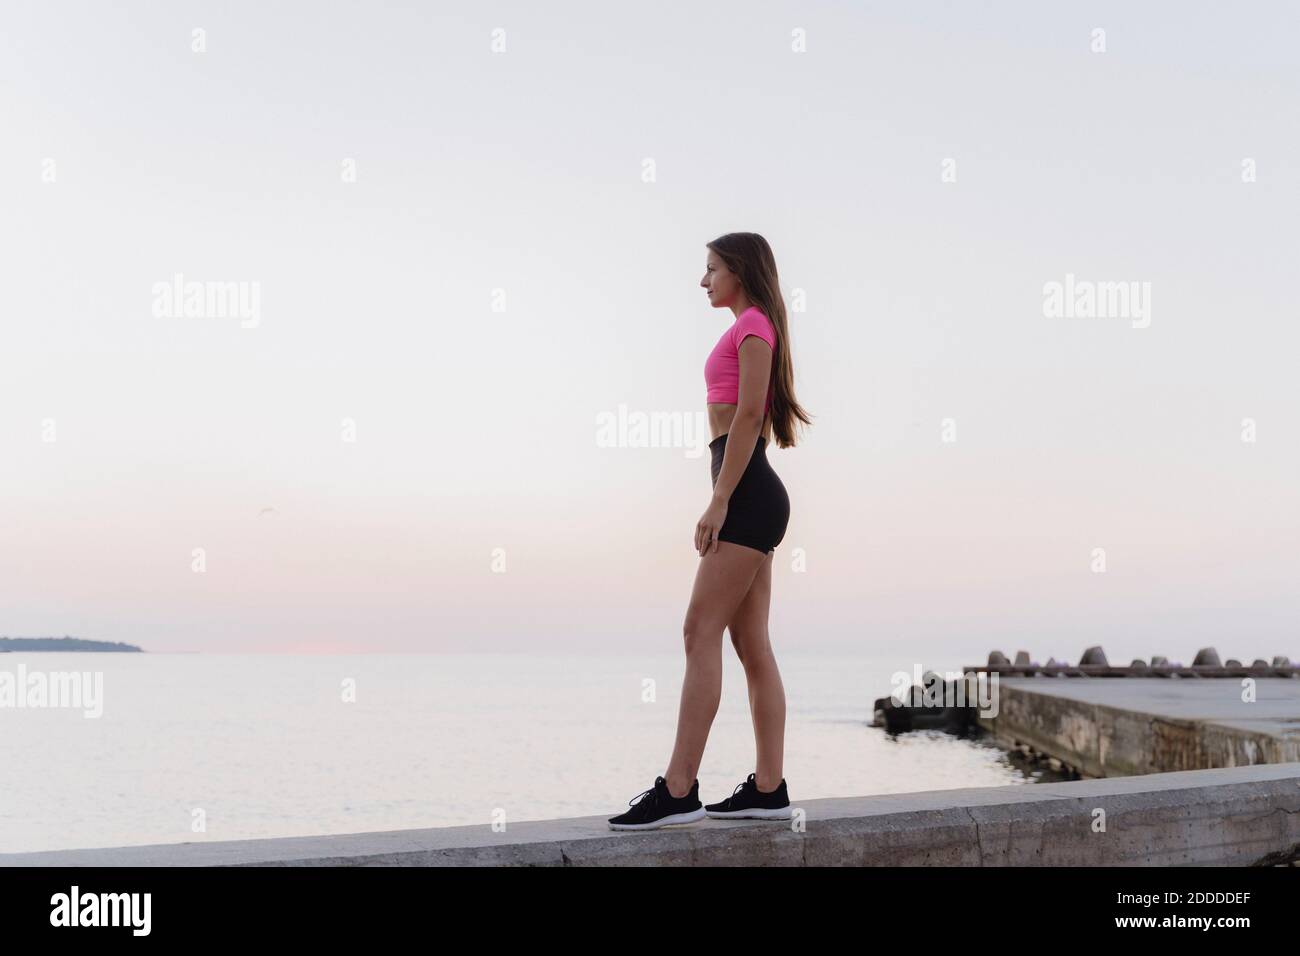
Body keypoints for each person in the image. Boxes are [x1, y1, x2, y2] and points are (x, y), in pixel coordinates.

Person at [608, 232, 814, 830]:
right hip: (752, 491)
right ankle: (768, 790)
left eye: (711, 269)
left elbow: (750, 415)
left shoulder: (753, 327)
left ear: (739, 271)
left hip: (746, 493)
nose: (703, 281)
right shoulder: (750, 325)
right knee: (752, 647)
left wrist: (718, 500)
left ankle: (678, 791)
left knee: (699, 630)